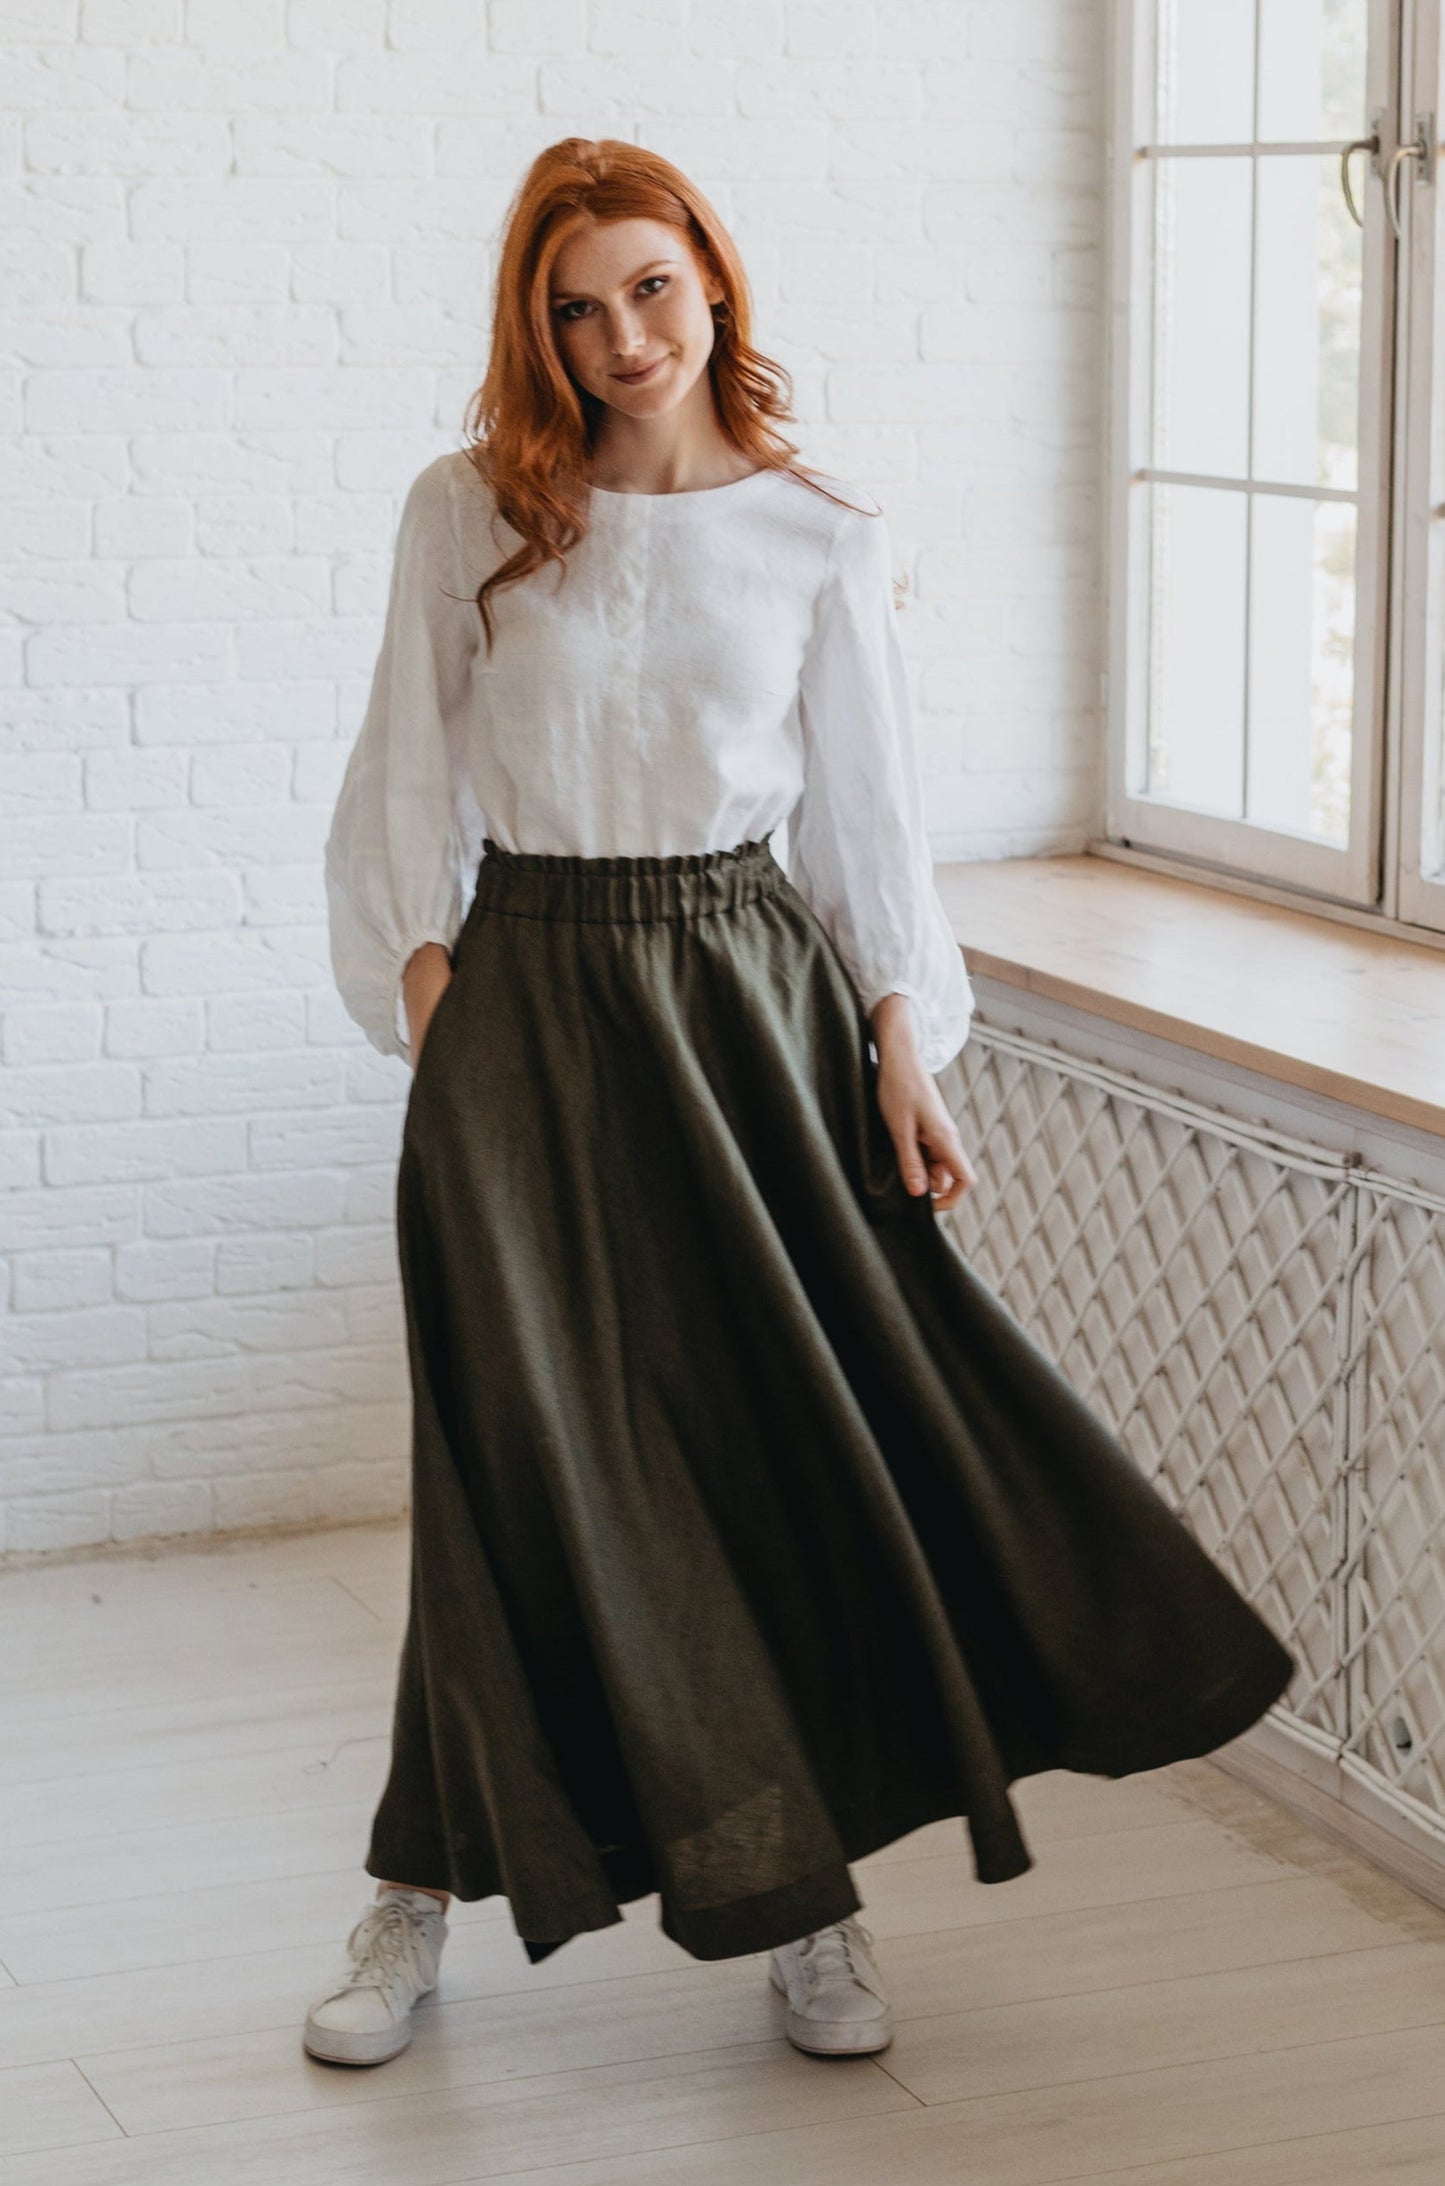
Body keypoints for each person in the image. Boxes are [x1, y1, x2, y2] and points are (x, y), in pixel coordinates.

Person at [304, 137, 1296, 2070]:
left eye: (650, 289)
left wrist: (904, 1044)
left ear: (716, 285)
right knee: (510, 1463)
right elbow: (397, 790)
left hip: (752, 1013)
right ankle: (415, 1892)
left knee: (772, 1448)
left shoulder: (814, 531)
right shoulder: (467, 511)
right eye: (574, 308)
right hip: (529, 1000)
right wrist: (442, 1022)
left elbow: (870, 830)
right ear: (537, 328)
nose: (619, 337)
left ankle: (810, 1904)